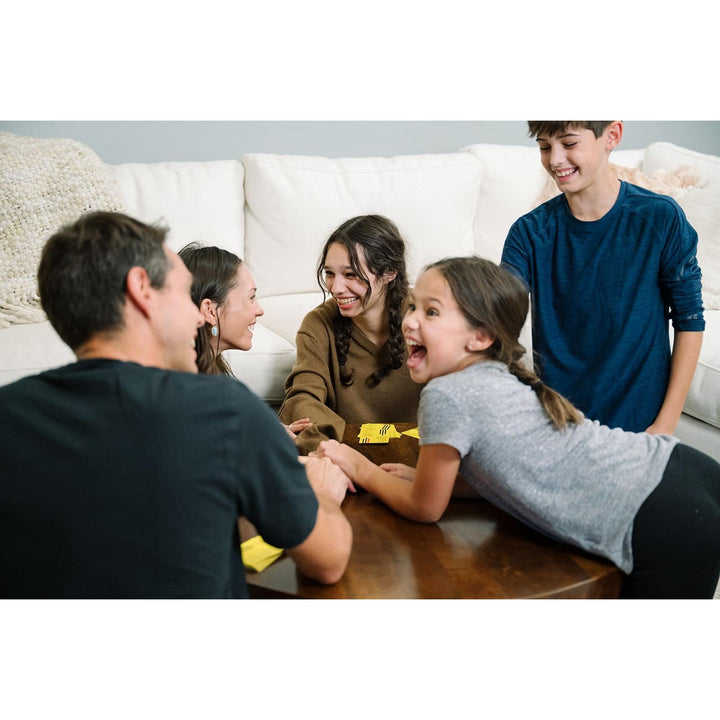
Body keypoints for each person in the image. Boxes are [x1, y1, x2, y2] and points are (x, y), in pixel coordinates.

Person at [315, 256, 720, 598]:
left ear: (480, 337)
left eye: (431, 311)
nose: (410, 321)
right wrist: (426, 479)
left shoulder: (446, 395)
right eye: (413, 307)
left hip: (662, 516)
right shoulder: (494, 374)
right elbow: (506, 470)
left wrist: (359, 466)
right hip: (679, 474)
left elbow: (425, 509)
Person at [0, 211, 352, 599]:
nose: (194, 315)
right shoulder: (224, 411)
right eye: (181, 292)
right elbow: (328, 560)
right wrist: (322, 493)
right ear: (141, 289)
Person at [501, 121, 705, 434]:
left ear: (611, 136)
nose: (554, 159)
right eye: (544, 146)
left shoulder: (660, 217)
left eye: (569, 144)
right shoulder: (528, 233)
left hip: (640, 427)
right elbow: (497, 315)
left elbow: (689, 319)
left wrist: (664, 426)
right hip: (559, 425)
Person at [279, 214, 422, 454]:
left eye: (351, 274)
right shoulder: (318, 324)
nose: (335, 288)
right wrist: (346, 450)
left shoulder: (429, 314)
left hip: (426, 463)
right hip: (346, 461)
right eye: (330, 273)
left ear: (389, 273)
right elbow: (302, 399)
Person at [177, 242, 311, 437]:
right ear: (210, 311)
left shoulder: (210, 378)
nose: (259, 310)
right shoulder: (188, 393)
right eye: (251, 298)